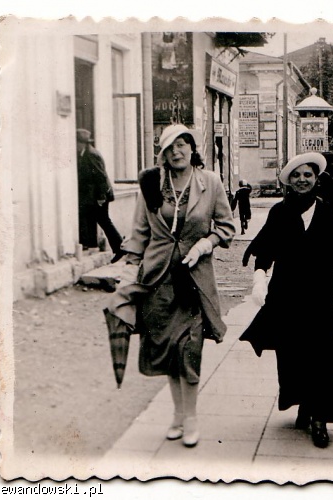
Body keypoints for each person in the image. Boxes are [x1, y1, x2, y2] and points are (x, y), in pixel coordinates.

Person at [103, 124, 235, 447]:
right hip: (158, 282)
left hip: (192, 282)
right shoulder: (151, 185)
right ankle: (178, 415)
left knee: (189, 350)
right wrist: (128, 273)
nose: (177, 151)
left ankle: (191, 419)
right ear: (162, 154)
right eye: (170, 147)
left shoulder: (210, 182)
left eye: (182, 144)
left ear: (192, 148)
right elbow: (139, 235)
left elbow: (226, 227)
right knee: (168, 353)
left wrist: (205, 244)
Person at [240, 152, 333, 449]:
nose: (303, 180)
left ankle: (320, 418)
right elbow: (265, 249)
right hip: (287, 296)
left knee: (322, 356)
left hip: (321, 297)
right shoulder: (279, 212)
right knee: (292, 355)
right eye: (297, 176)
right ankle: (304, 403)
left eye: (308, 175)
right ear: (289, 181)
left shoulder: (328, 213)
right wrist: (260, 279)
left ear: (316, 179)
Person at [76, 129, 124, 263]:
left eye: (77, 143)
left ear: (82, 143)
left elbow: (100, 176)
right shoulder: (85, 153)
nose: (76, 146)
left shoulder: (91, 154)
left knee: (104, 220)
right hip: (93, 196)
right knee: (98, 219)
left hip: (100, 195)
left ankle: (120, 248)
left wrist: (101, 197)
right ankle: (105, 246)